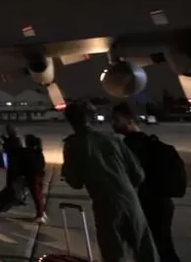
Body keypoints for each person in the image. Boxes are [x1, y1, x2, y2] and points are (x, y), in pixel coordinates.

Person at [62, 102, 158, 262]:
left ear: (70, 121)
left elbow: (75, 183)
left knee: (114, 254)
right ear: (90, 118)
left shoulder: (72, 145)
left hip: (105, 205)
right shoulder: (113, 139)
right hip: (130, 200)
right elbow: (138, 175)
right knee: (145, 250)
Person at [112, 102, 181, 262]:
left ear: (130, 120)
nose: (113, 123)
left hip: (146, 204)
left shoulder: (128, 146)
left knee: (155, 249)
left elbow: (129, 178)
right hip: (163, 203)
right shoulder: (151, 143)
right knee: (162, 246)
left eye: (117, 120)